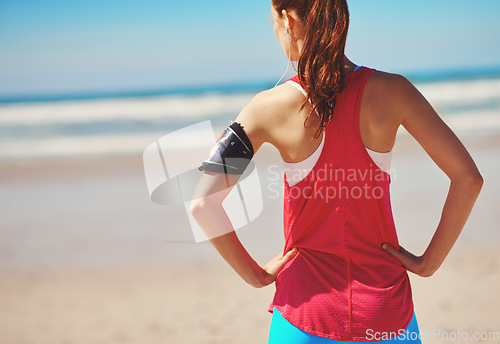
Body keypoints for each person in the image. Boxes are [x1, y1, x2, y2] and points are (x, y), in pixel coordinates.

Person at [190, 0, 483, 342]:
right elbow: (468, 178)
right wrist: (428, 263)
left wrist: (255, 276)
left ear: (287, 19)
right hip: (387, 312)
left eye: (271, 20)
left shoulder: (265, 107)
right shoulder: (394, 91)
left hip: (304, 311)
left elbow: (203, 204)